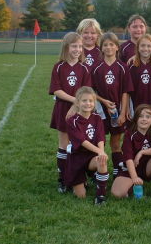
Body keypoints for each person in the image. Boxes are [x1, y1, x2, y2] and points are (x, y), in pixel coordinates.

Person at [49, 32, 91, 193]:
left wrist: (78, 105)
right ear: (66, 47)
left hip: (82, 112)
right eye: (74, 46)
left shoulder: (84, 68)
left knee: (79, 144)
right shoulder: (58, 66)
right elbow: (56, 90)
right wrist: (75, 101)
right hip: (63, 110)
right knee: (64, 144)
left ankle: (79, 177)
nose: (77, 49)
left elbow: (87, 91)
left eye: (80, 46)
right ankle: (63, 178)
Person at [92, 32, 133, 178]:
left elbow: (125, 92)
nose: (108, 47)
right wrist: (103, 101)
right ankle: (96, 169)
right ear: (101, 48)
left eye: (111, 44)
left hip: (117, 111)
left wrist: (123, 113)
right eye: (105, 45)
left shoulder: (122, 67)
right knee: (99, 140)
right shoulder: (96, 67)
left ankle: (117, 169)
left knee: (116, 142)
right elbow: (91, 91)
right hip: (100, 111)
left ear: (117, 47)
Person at [111, 104, 151, 198]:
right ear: (136, 119)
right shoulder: (129, 135)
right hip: (130, 168)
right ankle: (134, 185)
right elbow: (129, 159)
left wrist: (142, 152)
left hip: (147, 168)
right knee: (117, 193)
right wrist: (134, 177)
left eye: (148, 116)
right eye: (141, 116)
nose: (144, 119)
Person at [65, 87, 109, 205]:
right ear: (77, 102)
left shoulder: (97, 118)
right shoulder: (72, 121)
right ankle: (78, 180)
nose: (87, 103)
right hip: (77, 158)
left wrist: (101, 152)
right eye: (84, 100)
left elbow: (100, 137)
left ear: (94, 103)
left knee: (102, 160)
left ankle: (100, 196)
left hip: (91, 157)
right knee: (81, 196)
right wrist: (99, 152)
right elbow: (83, 141)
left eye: (90, 101)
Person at [128, 34, 151, 120]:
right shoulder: (131, 65)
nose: (145, 48)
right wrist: (127, 108)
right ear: (137, 48)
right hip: (135, 105)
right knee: (135, 130)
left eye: (149, 46)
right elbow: (127, 90)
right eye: (143, 45)